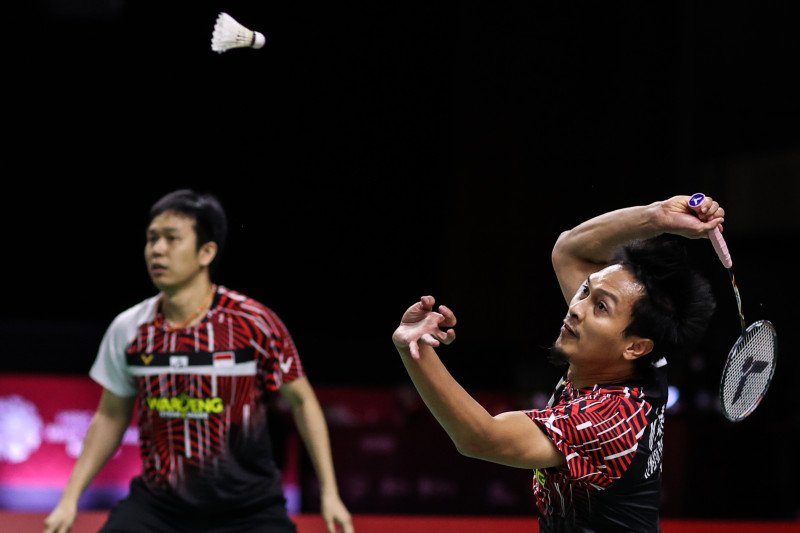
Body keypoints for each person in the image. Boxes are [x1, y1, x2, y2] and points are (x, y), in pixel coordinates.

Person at [391, 193, 724, 532]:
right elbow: (570, 250)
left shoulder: (606, 421)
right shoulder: (640, 361)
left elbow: (481, 437)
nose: (576, 308)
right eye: (586, 292)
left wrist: (413, 348)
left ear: (635, 346)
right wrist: (657, 216)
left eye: (602, 307)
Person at [44, 189, 353, 533]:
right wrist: (69, 498)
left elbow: (303, 401)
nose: (157, 249)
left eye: (171, 239)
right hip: (160, 505)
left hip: (248, 508)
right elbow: (111, 415)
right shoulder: (130, 328)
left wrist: (330, 492)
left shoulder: (253, 323)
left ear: (206, 251)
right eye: (151, 239)